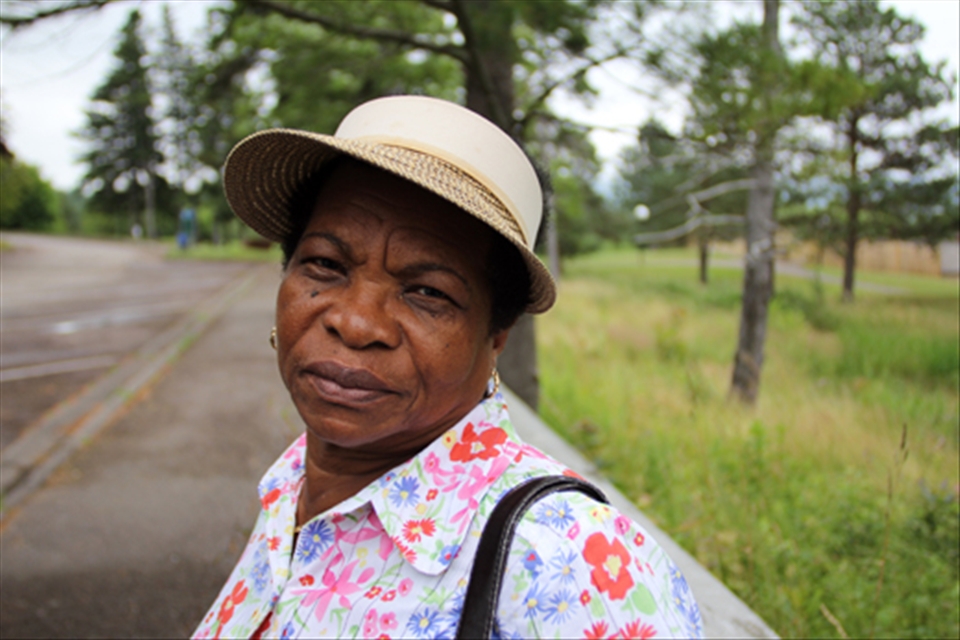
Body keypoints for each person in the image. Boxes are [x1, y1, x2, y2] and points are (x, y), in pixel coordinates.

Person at [193, 96, 702, 640]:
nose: (357, 322)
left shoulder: (567, 558)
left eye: (427, 292)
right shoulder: (295, 483)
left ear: (495, 337)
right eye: (325, 263)